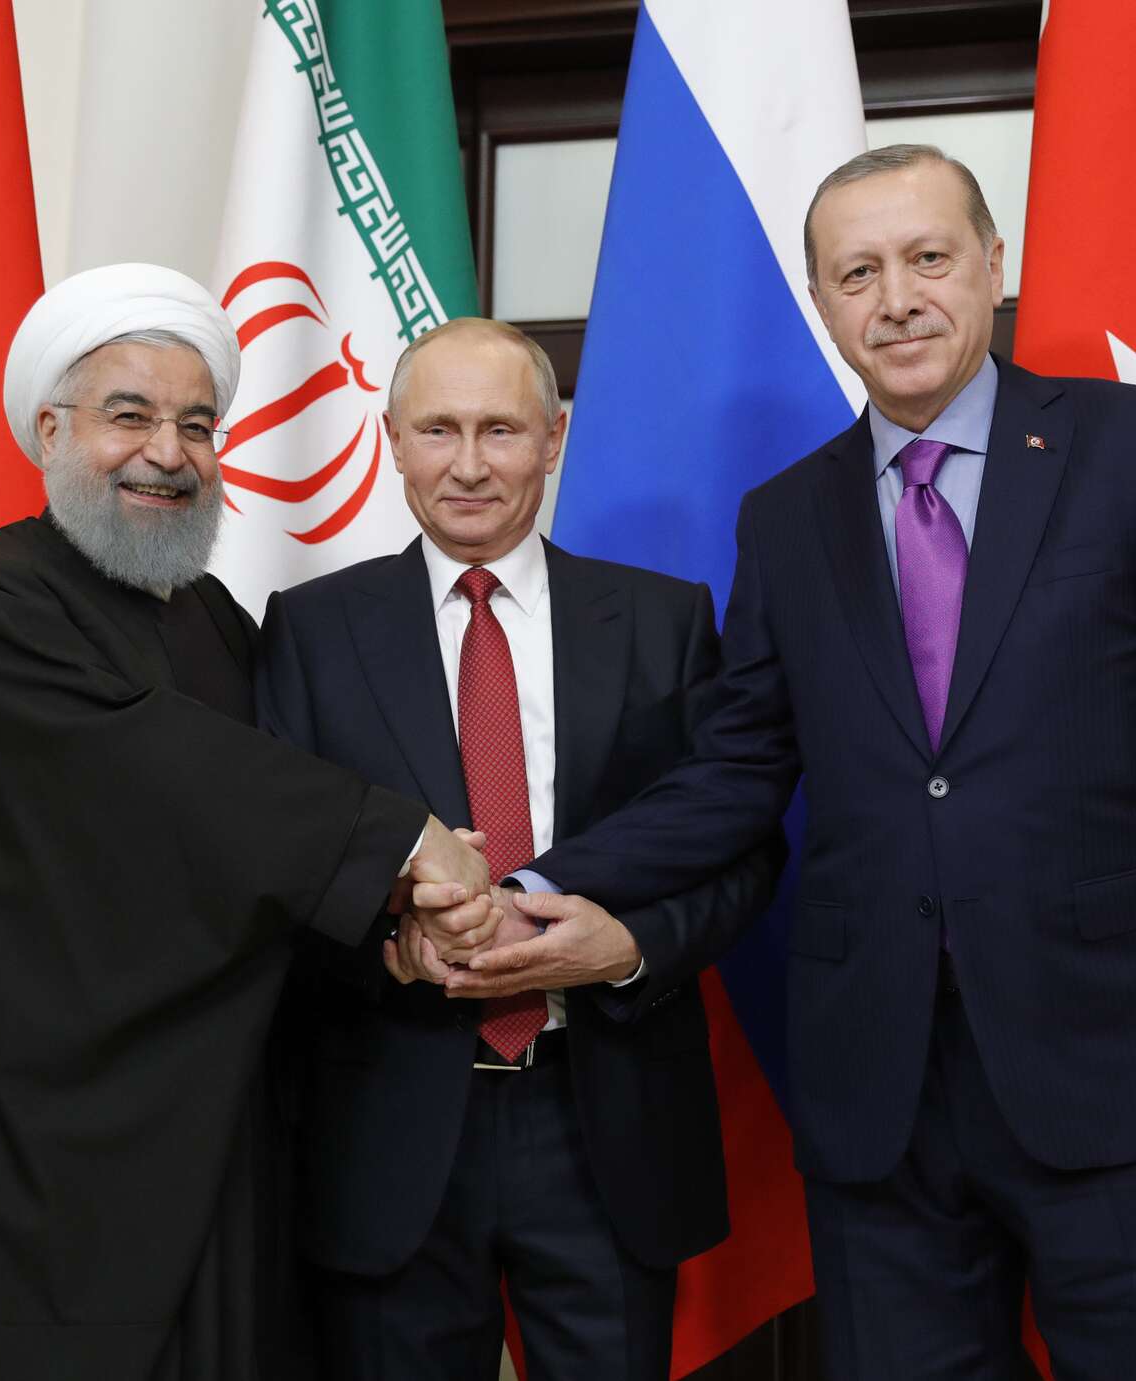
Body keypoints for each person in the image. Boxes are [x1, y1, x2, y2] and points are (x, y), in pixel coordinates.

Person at [488, 146, 1136, 1379]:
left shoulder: (1131, 446)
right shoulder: (785, 516)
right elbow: (735, 771)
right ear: (821, 303)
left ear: (991, 264)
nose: (897, 299)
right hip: (878, 1089)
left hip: (1117, 1065)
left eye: (927, 258)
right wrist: (538, 883)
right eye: (857, 273)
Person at [0, 263, 496, 1381]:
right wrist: (400, 841)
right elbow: (159, 776)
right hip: (27, 1151)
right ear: (49, 431)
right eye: (129, 416)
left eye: (197, 425)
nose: (167, 453)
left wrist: (389, 940)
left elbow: (253, 849)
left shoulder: (212, 617)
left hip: (210, 1122)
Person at [257, 317, 782, 1381]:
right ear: (392, 442)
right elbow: (274, 869)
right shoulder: (310, 630)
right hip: (390, 1131)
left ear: (552, 438)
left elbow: (739, 848)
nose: (467, 464)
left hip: (605, 1119)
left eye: (499, 429)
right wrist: (394, 947)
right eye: (437, 430)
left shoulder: (662, 619)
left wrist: (627, 949)